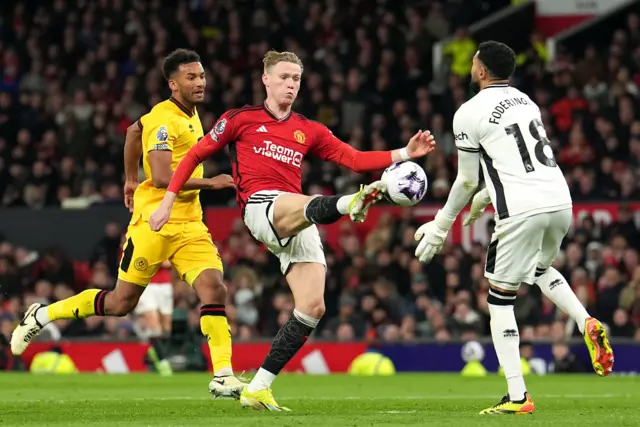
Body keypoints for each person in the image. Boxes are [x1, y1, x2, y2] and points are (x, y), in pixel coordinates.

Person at [149, 50, 436, 411]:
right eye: (284, 77)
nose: (290, 85)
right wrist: (167, 201)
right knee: (304, 201)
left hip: (298, 213)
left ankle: (259, 387)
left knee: (312, 307)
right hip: (261, 206)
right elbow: (193, 157)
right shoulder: (240, 119)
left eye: (296, 79)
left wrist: (403, 153)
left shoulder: (309, 129)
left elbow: (354, 158)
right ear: (266, 79)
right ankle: (353, 202)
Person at [11, 49, 246, 399]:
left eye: (202, 76)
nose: (200, 83)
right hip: (153, 223)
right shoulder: (165, 120)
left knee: (215, 288)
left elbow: (133, 132)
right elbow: (165, 176)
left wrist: (130, 178)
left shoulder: (190, 115)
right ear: (173, 83)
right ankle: (42, 315)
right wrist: (212, 183)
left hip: (190, 223)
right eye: (191, 77)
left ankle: (223, 374)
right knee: (122, 304)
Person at [413, 41, 613, 415]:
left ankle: (517, 397)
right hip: (560, 201)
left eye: (473, 62)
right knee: (538, 269)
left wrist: (441, 224)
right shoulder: (525, 101)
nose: (471, 66)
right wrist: (485, 196)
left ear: (482, 71)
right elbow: (518, 162)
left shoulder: (467, 112)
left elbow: (465, 180)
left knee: (500, 299)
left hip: (521, 210)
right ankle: (586, 320)